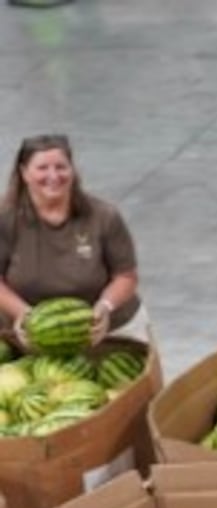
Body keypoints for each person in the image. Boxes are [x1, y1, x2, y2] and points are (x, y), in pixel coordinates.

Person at [1, 133, 147, 349]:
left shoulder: (104, 216)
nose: (54, 175)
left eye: (61, 167)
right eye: (42, 168)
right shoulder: (5, 220)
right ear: (24, 173)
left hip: (112, 331)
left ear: (72, 170)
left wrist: (105, 308)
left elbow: (126, 276)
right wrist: (25, 315)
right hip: (26, 337)